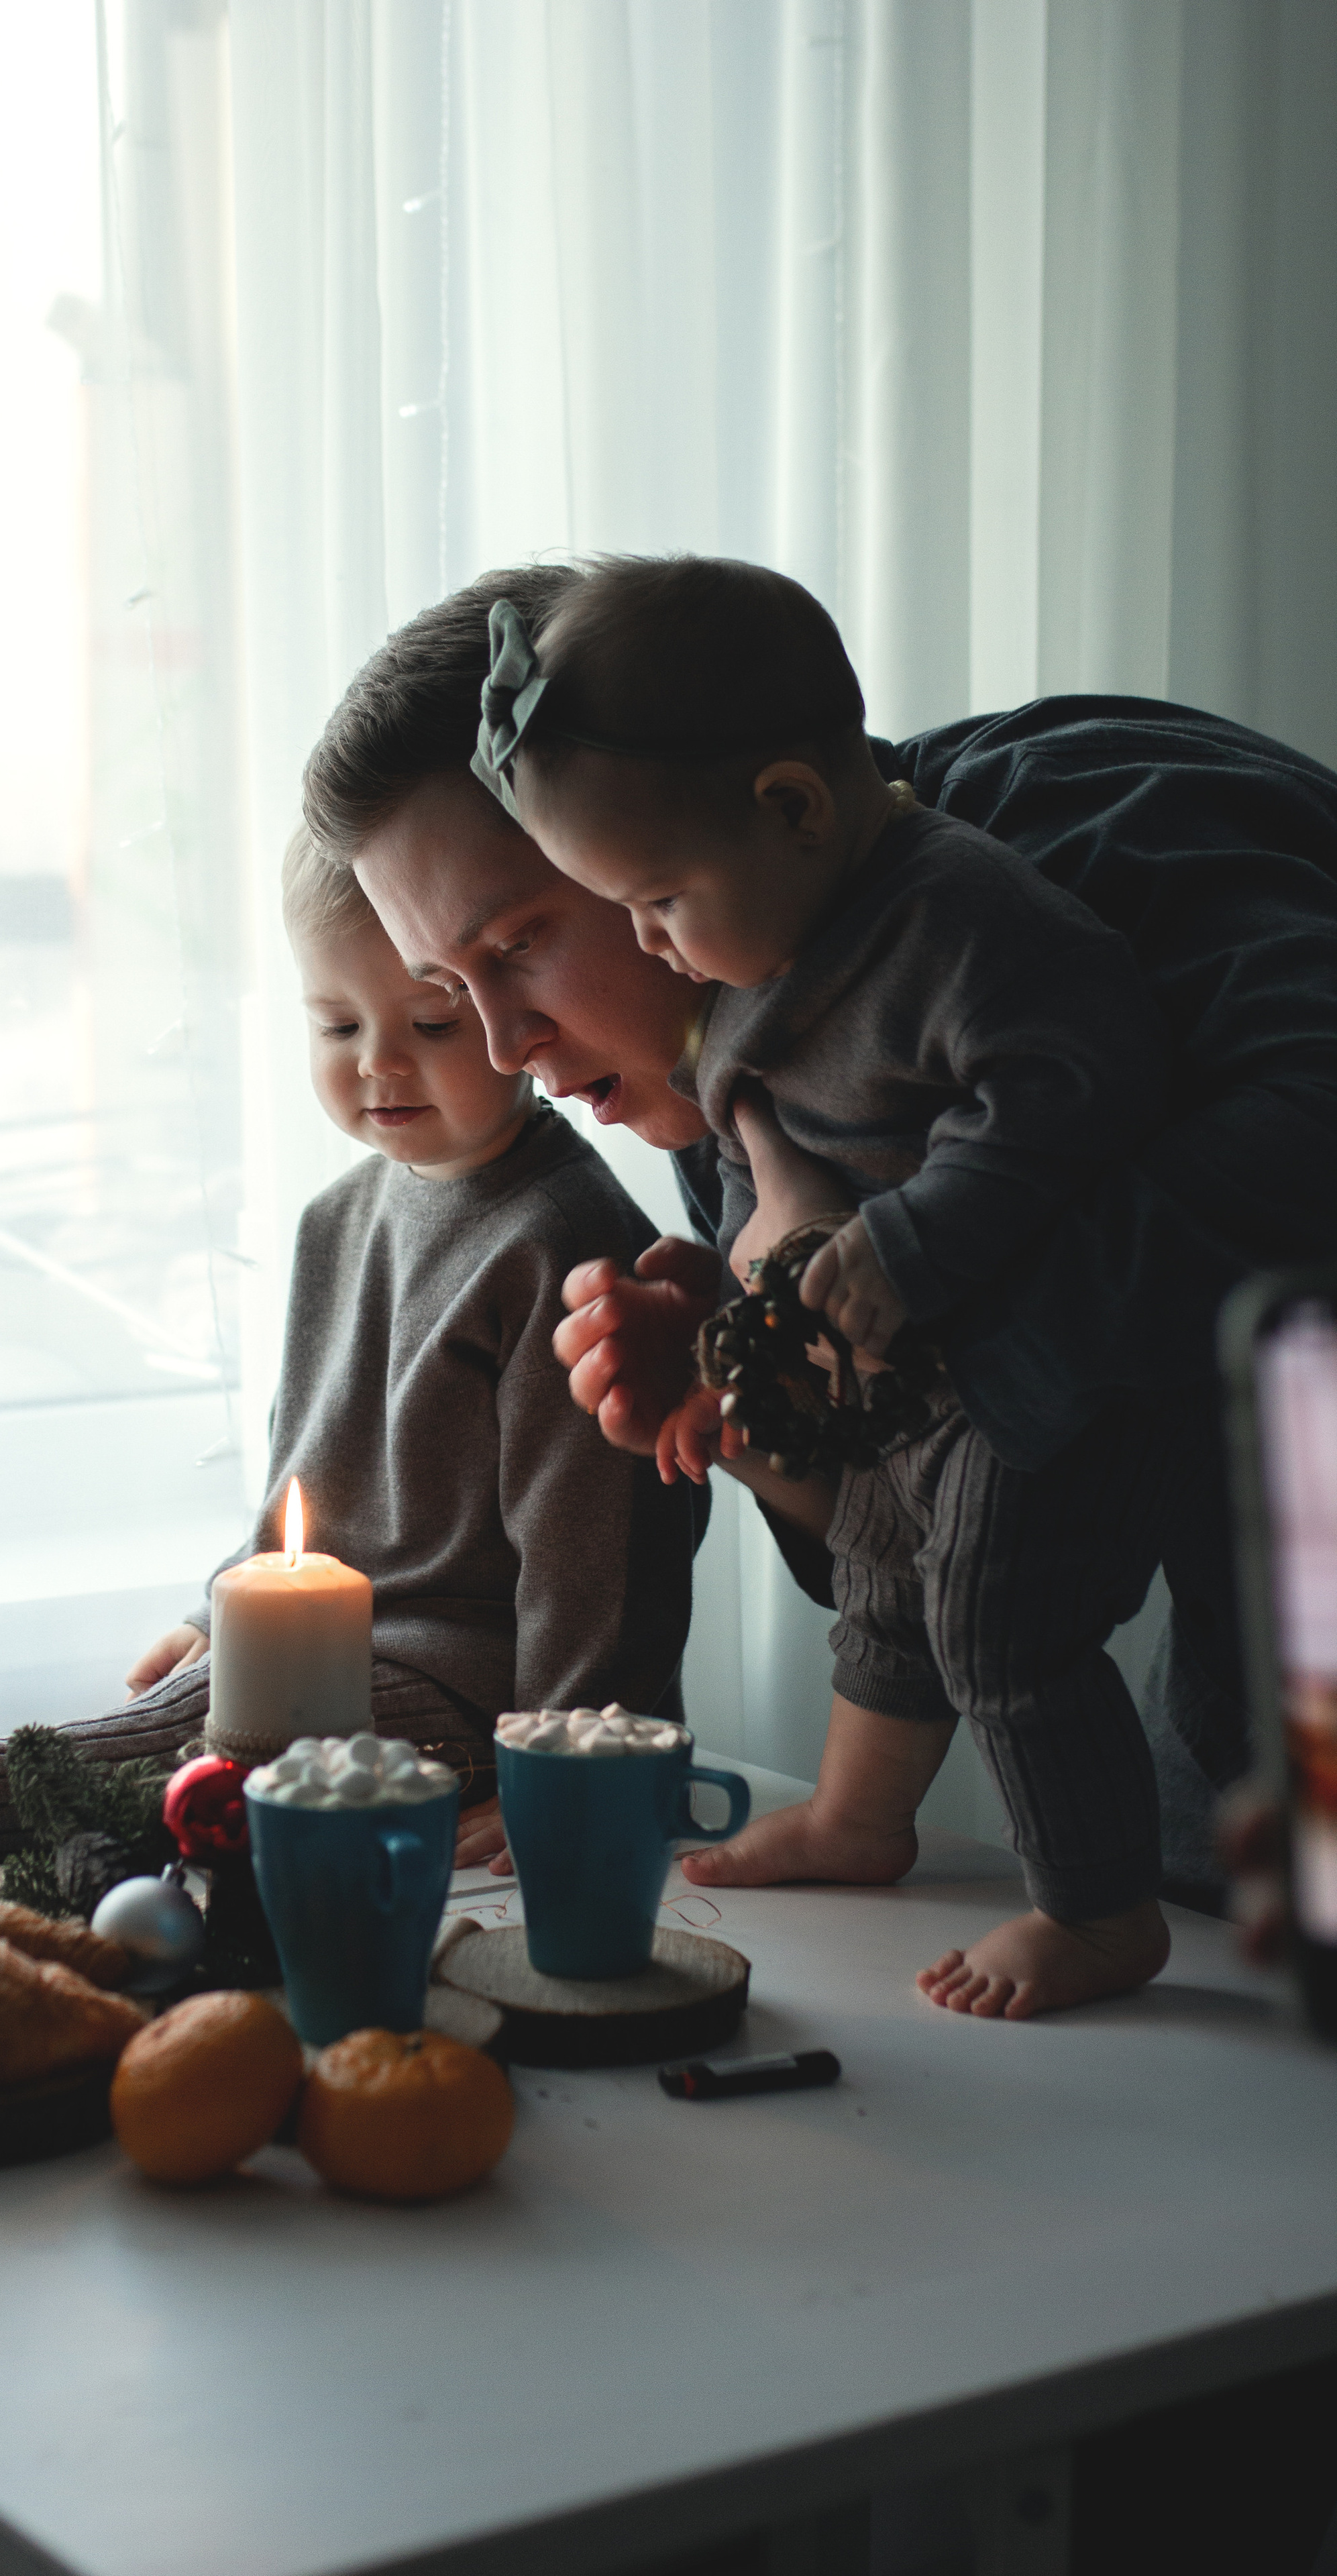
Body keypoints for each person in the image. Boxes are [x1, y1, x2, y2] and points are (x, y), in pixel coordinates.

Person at [301, 559, 1337, 1960]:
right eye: (448, 992)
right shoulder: (742, 1092)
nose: (503, 1051)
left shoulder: (1089, 820)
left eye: (523, 943)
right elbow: (897, 1504)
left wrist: (890, 1302)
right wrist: (735, 1400)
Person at [0, 835, 705, 1876]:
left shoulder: (559, 1245)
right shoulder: (334, 1223)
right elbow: (307, 1493)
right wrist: (222, 1616)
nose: (378, 1061)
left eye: (429, 1021)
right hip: (341, 1655)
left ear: (508, 1013)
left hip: (477, 1695)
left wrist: (562, 1771)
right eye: (336, 1024)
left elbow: (600, 1563)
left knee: (229, 1762)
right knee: (190, 1742)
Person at [467, 551, 1209, 2018]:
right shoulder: (762, 958)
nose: (646, 943)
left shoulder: (957, 915)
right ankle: (862, 1819)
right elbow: (773, 1200)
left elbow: (1079, 1083)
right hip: (901, 1389)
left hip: (1021, 1370)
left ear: (795, 808)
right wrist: (741, 1344)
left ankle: (1098, 1907)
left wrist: (905, 1246)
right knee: (881, 1584)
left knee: (998, 1622)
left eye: (655, 901)